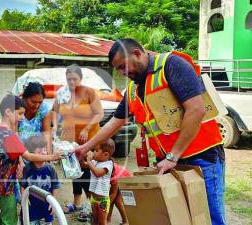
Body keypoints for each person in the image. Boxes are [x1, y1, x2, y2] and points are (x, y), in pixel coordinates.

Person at [76, 38, 226, 225]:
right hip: (169, 162)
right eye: (119, 70)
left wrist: (173, 156)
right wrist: (86, 147)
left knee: (209, 218)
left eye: (124, 66)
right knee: (176, 218)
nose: (123, 73)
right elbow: (115, 121)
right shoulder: (132, 89)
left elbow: (196, 109)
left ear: (137, 53)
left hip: (201, 157)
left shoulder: (171, 65)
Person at [0, 94, 62, 225]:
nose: (22, 117)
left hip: (3, 183)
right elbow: (28, 155)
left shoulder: (2, 131)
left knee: (5, 214)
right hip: (5, 186)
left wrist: (19, 162)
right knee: (10, 217)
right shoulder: (8, 135)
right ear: (8, 112)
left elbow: (13, 154)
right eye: (20, 113)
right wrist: (52, 156)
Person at [52, 64, 103, 215]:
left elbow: (99, 114)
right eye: (69, 79)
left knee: (87, 170)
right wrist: (55, 126)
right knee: (73, 171)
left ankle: (90, 204)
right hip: (69, 140)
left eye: (75, 79)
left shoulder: (89, 92)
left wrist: (87, 128)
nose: (72, 82)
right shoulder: (62, 93)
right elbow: (54, 111)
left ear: (80, 78)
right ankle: (76, 203)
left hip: (89, 138)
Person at [20, 136, 60, 225]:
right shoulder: (27, 169)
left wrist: (53, 202)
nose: (44, 153)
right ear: (31, 155)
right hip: (31, 205)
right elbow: (22, 185)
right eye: (39, 151)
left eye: (45, 150)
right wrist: (24, 199)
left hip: (46, 205)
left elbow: (55, 186)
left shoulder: (50, 169)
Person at [84, 139, 114, 225]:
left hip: (102, 200)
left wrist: (89, 161)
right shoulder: (95, 162)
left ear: (105, 154)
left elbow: (97, 173)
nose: (94, 152)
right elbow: (84, 165)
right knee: (95, 220)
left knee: (102, 222)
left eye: (96, 151)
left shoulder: (108, 164)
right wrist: (82, 155)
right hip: (94, 198)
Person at [18, 82, 53, 154]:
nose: (37, 106)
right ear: (24, 98)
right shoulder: (16, 108)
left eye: (40, 102)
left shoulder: (44, 109)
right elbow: (13, 135)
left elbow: (46, 134)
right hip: (19, 151)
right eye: (33, 102)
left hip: (37, 151)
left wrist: (49, 157)